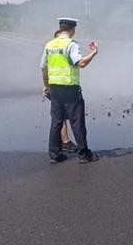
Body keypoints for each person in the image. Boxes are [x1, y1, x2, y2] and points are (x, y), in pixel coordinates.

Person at [40, 18, 99, 163]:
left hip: (55, 89)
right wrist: (94, 53)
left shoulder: (49, 45)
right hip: (70, 89)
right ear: (72, 30)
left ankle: (55, 154)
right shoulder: (71, 45)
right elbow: (82, 63)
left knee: (56, 122)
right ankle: (84, 155)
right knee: (77, 122)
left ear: (60, 29)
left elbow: (43, 67)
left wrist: (46, 86)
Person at [47, 30, 78, 153]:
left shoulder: (51, 49)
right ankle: (65, 142)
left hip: (54, 85)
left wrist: (46, 86)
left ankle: (60, 144)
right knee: (63, 117)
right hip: (64, 86)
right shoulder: (66, 48)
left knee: (59, 117)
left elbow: (44, 68)